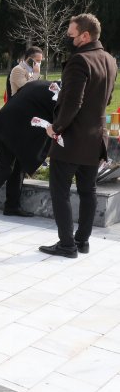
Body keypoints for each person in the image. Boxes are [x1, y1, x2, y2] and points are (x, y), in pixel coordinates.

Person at [39, 13, 118, 258]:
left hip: (71, 139)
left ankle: (66, 245)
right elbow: (107, 99)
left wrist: (56, 127)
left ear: (85, 35)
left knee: (59, 191)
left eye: (71, 34)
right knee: (88, 191)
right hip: (96, 138)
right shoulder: (110, 61)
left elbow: (74, 102)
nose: (68, 38)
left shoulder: (79, 61)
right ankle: (82, 241)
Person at [0, 80, 56, 221]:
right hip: (11, 128)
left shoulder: (45, 85)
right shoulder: (60, 95)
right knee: (4, 167)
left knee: (19, 166)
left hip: (12, 126)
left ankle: (12, 206)